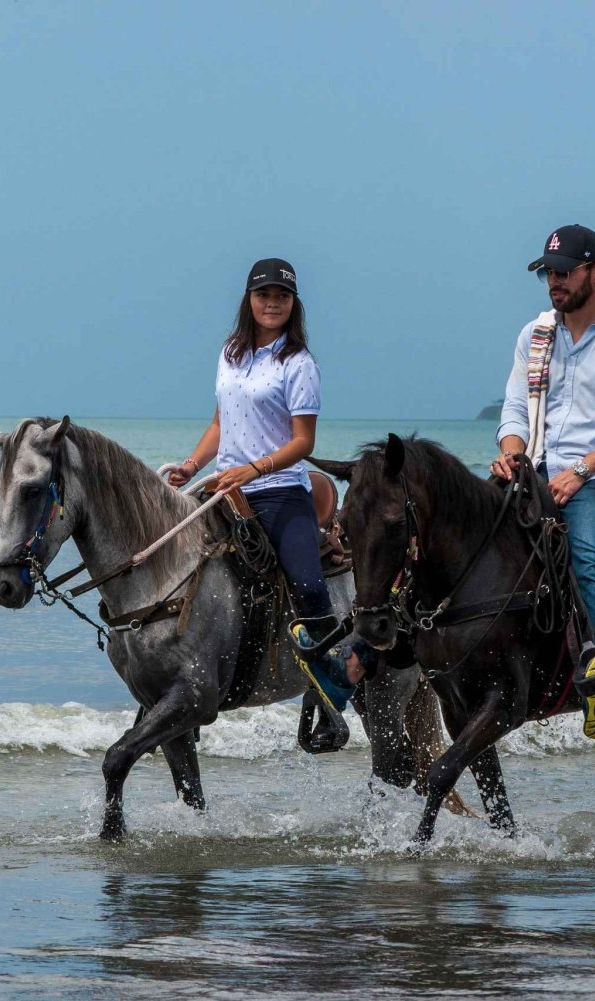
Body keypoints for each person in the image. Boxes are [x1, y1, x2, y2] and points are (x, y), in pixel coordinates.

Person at [167, 258, 364, 752]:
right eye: (263, 294)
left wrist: (254, 469)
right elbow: (220, 423)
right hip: (224, 489)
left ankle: (331, 694)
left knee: (308, 585)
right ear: (249, 300)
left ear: (294, 303)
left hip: (279, 490)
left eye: (282, 296)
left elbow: (303, 442)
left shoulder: (298, 363)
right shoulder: (230, 354)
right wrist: (191, 465)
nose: (272, 303)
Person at [490, 225, 595, 739]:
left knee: (586, 559)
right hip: (535, 469)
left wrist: (583, 470)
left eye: (565, 272)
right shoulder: (535, 334)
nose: (555, 282)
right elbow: (515, 407)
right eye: (549, 273)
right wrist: (511, 453)